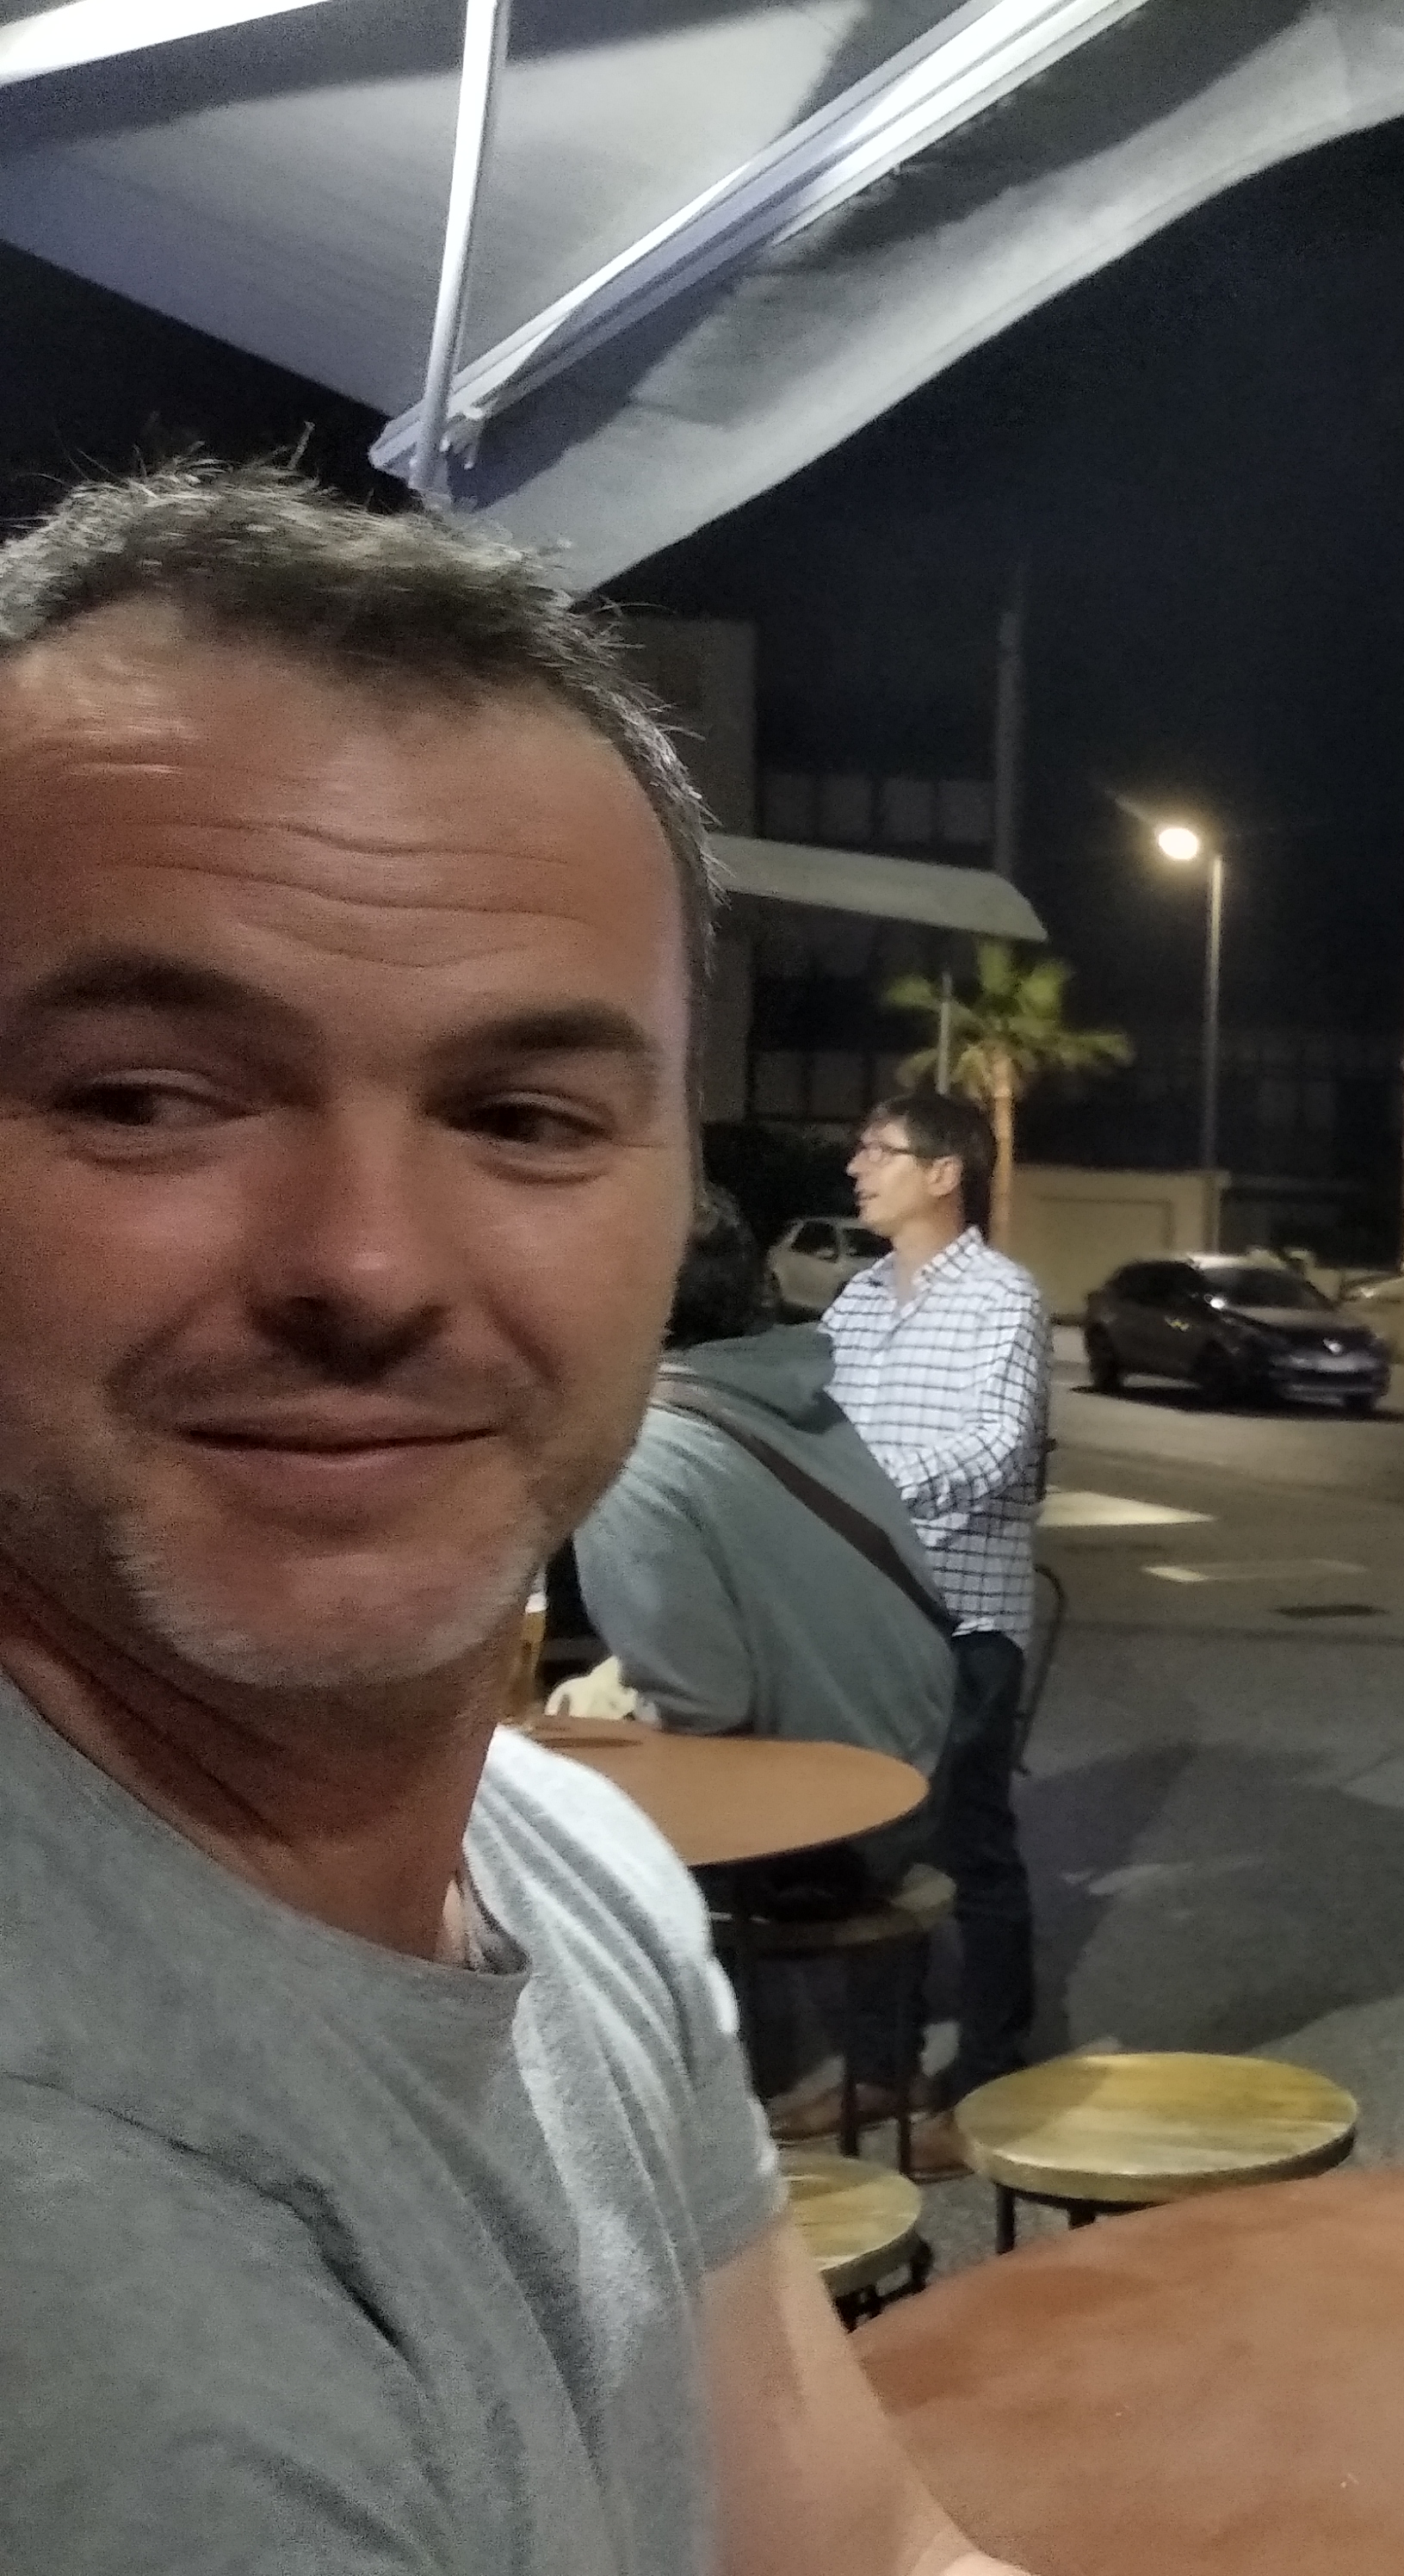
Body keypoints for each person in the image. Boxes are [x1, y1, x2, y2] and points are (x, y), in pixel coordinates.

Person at [0, 467, 1024, 2571]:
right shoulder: (92, 2279)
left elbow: (862, 2546)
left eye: (523, 1115)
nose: (366, 1264)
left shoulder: (578, 1869)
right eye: (149, 1096)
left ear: (674, 1199)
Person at [558, 1185, 954, 1898]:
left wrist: (581, 1713)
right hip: (916, 1781)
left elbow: (702, 1708)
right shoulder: (787, 1395)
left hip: (821, 1848)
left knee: (508, 1837)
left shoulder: (638, 1457)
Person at [823, 1087, 1051, 2172]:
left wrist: (863, 1498)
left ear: (945, 1173)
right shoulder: (856, 1302)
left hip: (965, 1619)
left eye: (880, 1149)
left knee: (970, 1847)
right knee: (869, 1846)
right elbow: (816, 1428)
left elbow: (999, 1445)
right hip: (862, 1616)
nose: (857, 1167)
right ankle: (882, 2065)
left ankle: (992, 2085)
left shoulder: (1004, 1297)